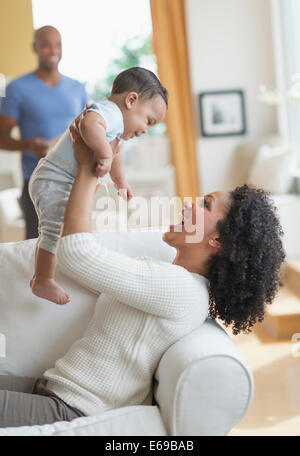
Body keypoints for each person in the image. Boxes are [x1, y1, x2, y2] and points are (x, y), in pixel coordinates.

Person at [0, 122, 285, 428]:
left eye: (206, 205)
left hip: (71, 408)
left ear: (218, 241)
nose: (190, 203)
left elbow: (77, 253)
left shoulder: (179, 288)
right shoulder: (168, 275)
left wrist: (86, 168)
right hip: (52, 390)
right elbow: (79, 256)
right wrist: (96, 173)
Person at [28, 67, 168, 306]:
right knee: (52, 229)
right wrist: (103, 153)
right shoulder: (109, 113)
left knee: (64, 227)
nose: (145, 130)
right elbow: (89, 123)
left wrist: (120, 181)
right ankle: (42, 279)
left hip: (59, 180)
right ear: (131, 100)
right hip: (54, 179)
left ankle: (48, 273)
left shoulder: (114, 128)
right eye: (148, 120)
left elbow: (117, 156)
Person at [0, 25, 88, 239]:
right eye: (47, 45)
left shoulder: (77, 88)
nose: (54, 51)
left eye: (58, 45)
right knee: (37, 247)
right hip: (37, 183)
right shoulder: (17, 88)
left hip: (74, 181)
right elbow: (2, 138)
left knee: (76, 243)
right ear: (35, 47)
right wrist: (28, 145)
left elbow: (88, 130)